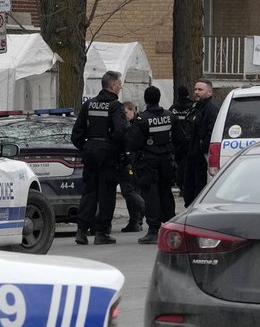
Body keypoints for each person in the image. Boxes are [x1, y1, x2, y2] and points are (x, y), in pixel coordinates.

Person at [71, 70, 128, 245]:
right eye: (119, 84)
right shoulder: (116, 106)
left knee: (89, 192)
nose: (120, 86)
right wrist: (116, 150)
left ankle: (81, 230)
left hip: (90, 152)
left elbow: (76, 134)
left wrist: (87, 147)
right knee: (106, 194)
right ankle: (101, 232)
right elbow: (120, 132)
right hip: (107, 155)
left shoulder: (89, 105)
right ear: (112, 86)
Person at [131, 86, 184, 244]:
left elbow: (133, 143)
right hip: (167, 161)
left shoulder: (142, 119)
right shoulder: (170, 116)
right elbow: (180, 139)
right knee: (166, 193)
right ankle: (170, 226)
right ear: (159, 98)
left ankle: (153, 230)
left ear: (146, 100)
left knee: (151, 194)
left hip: (149, 162)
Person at [182, 78, 220, 206]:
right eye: (195, 89)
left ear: (209, 92)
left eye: (200, 90)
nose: (196, 92)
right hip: (192, 154)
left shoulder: (211, 108)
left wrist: (202, 149)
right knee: (188, 188)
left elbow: (211, 131)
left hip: (200, 157)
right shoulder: (197, 106)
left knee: (198, 189)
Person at [119, 101, 145, 232]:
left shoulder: (136, 124)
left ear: (131, 110)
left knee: (129, 191)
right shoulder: (130, 124)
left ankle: (140, 212)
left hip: (132, 161)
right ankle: (135, 221)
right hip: (131, 161)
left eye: (125, 113)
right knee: (132, 191)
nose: (124, 115)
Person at [169, 85, 194, 189]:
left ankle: (180, 184)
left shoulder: (173, 108)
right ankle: (187, 184)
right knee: (189, 163)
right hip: (190, 140)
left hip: (177, 141)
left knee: (179, 163)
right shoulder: (192, 106)